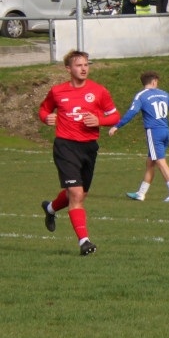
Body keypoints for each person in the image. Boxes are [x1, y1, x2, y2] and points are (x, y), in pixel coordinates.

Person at [38, 50, 120, 256]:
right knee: (75, 194)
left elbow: (115, 115)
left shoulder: (99, 91)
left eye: (86, 65)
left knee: (79, 194)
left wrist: (99, 121)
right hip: (65, 146)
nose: (84, 69)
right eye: (79, 65)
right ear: (68, 69)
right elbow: (44, 109)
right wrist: (46, 118)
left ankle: (50, 209)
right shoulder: (57, 91)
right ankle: (84, 242)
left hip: (89, 148)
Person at [108, 71, 169, 202]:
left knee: (160, 161)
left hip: (154, 132)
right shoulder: (164, 94)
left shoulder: (141, 96)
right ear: (153, 81)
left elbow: (132, 112)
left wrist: (117, 126)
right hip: (165, 131)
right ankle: (141, 193)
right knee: (150, 163)